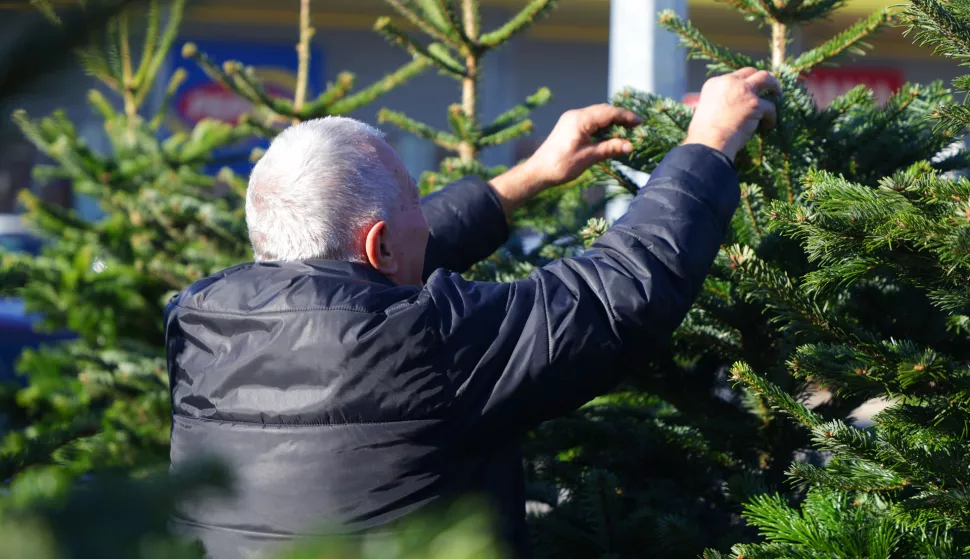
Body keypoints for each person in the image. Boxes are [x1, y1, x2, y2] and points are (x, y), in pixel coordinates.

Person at [164, 67, 781, 559]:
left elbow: (365, 265)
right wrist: (708, 146)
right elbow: (614, 294)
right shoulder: (420, 341)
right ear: (379, 243)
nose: (422, 215)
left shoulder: (201, 323)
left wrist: (527, 178)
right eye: (414, 200)